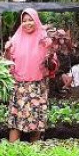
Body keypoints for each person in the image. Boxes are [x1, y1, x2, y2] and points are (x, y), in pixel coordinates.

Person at [5, 8, 52, 143]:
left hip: (38, 84)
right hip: (19, 85)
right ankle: (11, 150)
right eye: (24, 21)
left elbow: (52, 62)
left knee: (36, 117)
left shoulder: (44, 38)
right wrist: (7, 50)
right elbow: (8, 62)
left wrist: (49, 49)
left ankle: (34, 150)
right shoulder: (16, 38)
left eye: (30, 19)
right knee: (16, 116)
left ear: (36, 20)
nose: (28, 23)